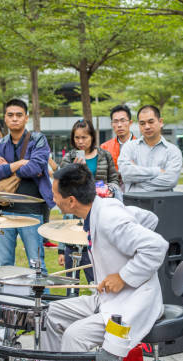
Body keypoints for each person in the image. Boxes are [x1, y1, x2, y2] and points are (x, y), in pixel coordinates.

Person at [41, 163, 167, 361]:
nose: (53, 197)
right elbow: (149, 218)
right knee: (52, 313)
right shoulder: (101, 208)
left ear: (71, 201)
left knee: (74, 335)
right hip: (108, 300)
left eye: (55, 193)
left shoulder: (109, 219)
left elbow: (156, 246)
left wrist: (124, 276)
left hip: (132, 303)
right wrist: (122, 260)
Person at [0, 99, 54, 273]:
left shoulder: (38, 139)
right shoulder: (0, 144)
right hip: (5, 210)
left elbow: (35, 167)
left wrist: (8, 167)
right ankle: (6, 300)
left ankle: (42, 300)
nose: (15, 119)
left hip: (31, 211)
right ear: (5, 118)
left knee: (36, 264)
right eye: (10, 115)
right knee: (4, 265)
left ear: (26, 118)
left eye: (19, 115)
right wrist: (19, 164)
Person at [58, 119, 121, 290]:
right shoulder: (69, 157)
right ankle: (72, 296)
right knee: (72, 271)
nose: (80, 141)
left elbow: (114, 180)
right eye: (77, 138)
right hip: (75, 214)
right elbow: (61, 186)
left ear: (92, 137)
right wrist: (74, 171)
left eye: (84, 137)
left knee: (97, 268)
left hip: (100, 212)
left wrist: (109, 189)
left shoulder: (104, 155)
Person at [118, 105, 183, 192]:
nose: (147, 126)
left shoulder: (173, 151)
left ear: (160, 122)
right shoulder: (129, 147)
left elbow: (171, 180)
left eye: (151, 122)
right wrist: (157, 171)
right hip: (134, 202)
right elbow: (125, 173)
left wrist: (136, 182)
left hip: (163, 203)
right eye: (142, 123)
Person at [101, 104, 135, 171]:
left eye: (123, 120)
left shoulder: (140, 145)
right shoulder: (104, 147)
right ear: (111, 124)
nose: (119, 125)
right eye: (115, 121)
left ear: (130, 123)